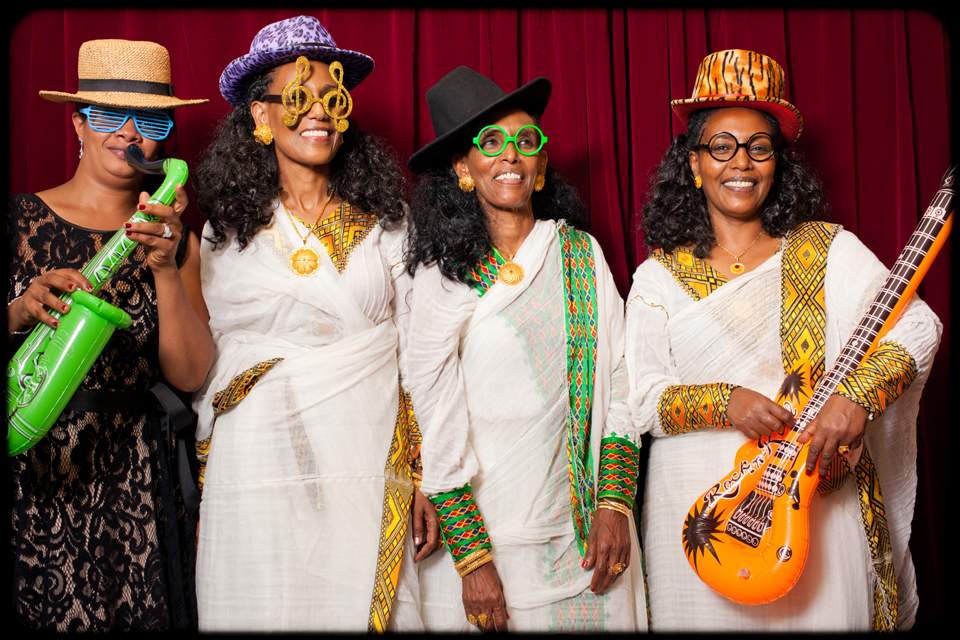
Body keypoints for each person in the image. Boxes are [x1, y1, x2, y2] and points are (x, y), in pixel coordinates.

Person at [627, 49, 941, 631]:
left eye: (759, 147)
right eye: (721, 146)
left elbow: (919, 326)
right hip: (698, 523)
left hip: (810, 514)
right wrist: (726, 401)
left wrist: (859, 397)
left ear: (778, 164)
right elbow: (643, 399)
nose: (739, 162)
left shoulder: (824, 249)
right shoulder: (659, 276)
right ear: (694, 163)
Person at [190, 15, 435, 632]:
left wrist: (431, 475)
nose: (318, 112)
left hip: (370, 461)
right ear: (260, 115)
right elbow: (214, 360)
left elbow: (420, 352)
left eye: (333, 97)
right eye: (296, 97)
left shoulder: (387, 222)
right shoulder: (225, 232)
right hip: (258, 468)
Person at [404, 66, 648, 633]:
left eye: (525, 141)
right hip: (490, 541)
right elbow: (437, 423)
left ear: (539, 166)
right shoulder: (443, 279)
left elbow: (620, 376)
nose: (510, 155)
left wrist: (614, 503)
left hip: (590, 535)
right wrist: (472, 560)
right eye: (491, 142)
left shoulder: (580, 254)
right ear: (464, 169)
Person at [7, 39, 213, 630]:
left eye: (150, 119)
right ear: (77, 123)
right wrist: (18, 311)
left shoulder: (182, 242)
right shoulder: (19, 220)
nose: (128, 133)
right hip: (33, 466)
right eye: (107, 116)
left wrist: (167, 268)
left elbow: (193, 375)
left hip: (135, 476)